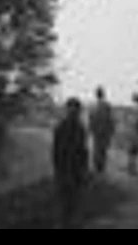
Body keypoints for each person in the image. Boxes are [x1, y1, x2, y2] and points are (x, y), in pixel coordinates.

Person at [52, 98, 90, 229]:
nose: (74, 113)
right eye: (71, 110)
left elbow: (84, 151)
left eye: (76, 110)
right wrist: (58, 171)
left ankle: (68, 223)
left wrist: (84, 169)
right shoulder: (61, 128)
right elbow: (56, 152)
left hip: (75, 171)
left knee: (73, 204)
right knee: (65, 204)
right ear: (67, 110)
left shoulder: (80, 128)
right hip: (65, 171)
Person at [88, 87, 116, 175]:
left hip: (98, 131)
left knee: (97, 149)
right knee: (102, 150)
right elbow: (111, 119)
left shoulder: (94, 106)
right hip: (104, 132)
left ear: (97, 95)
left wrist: (90, 129)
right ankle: (100, 167)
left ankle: (98, 167)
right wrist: (111, 130)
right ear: (103, 94)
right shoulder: (107, 105)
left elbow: (91, 119)